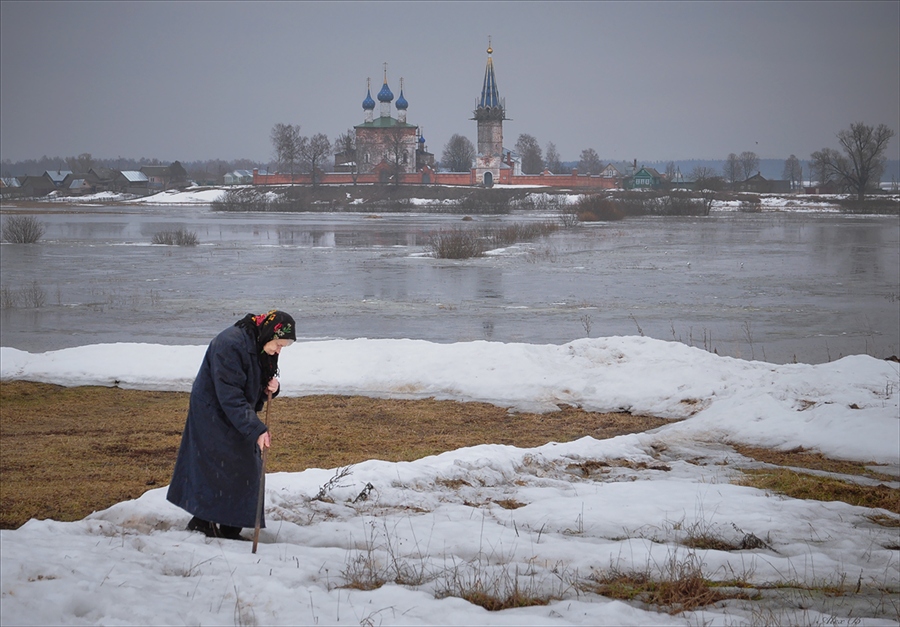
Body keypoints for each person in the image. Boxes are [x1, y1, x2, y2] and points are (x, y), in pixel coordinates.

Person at [167, 310, 296, 540]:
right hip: (212, 411)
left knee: (243, 466)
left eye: (284, 347)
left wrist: (271, 388)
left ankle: (229, 527)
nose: (279, 350)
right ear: (269, 333)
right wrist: (256, 429)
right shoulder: (230, 344)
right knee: (217, 465)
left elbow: (255, 381)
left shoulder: (262, 343)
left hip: (236, 409)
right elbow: (230, 394)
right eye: (279, 344)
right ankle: (203, 523)